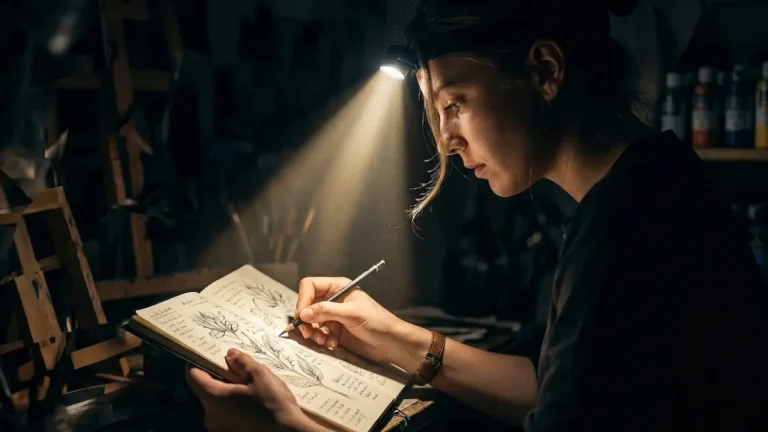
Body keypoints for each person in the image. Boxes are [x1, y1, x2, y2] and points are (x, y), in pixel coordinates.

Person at [186, 0, 767, 430]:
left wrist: (292, 426)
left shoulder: (628, 226)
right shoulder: (649, 183)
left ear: (543, 72)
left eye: (454, 104)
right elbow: (556, 388)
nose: (446, 142)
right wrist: (393, 336)